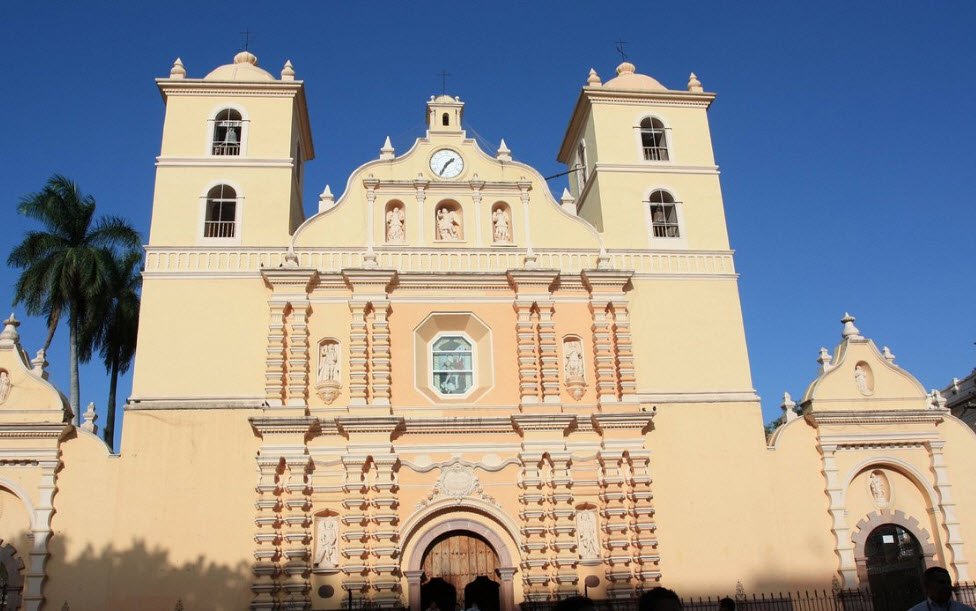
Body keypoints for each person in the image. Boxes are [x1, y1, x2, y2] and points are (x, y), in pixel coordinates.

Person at [908, 567, 976, 611]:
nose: (946, 586)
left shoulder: (965, 609)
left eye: (948, 583)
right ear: (927, 586)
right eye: (941, 582)